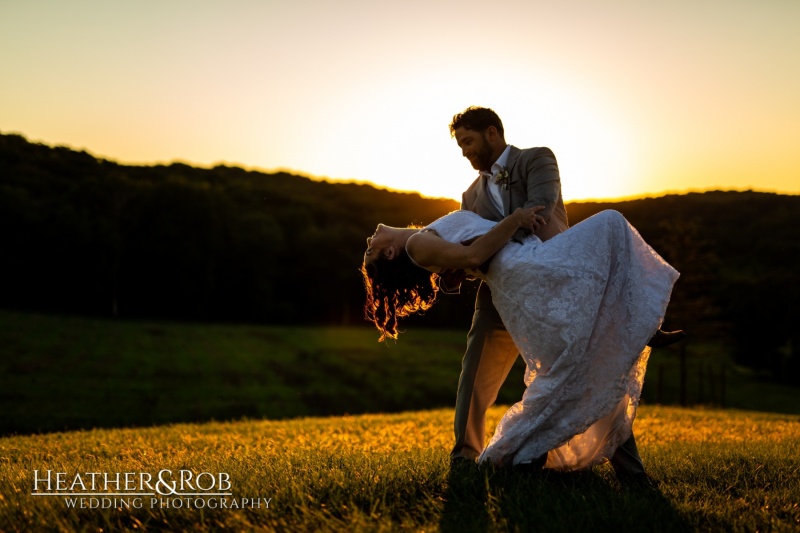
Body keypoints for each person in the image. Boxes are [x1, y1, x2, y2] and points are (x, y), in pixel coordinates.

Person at [361, 205, 680, 473]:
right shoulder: (417, 244)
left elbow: (465, 254)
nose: (369, 239)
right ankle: (642, 326)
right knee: (610, 225)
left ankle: (641, 327)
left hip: (522, 261)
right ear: (391, 253)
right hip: (522, 269)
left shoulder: (424, 238)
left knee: (578, 350)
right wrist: (515, 219)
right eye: (372, 249)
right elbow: (472, 256)